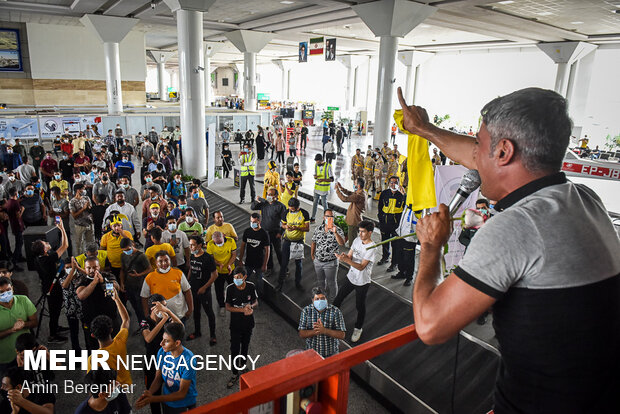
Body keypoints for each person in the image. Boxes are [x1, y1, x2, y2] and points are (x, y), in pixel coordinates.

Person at [397, 86, 620, 412]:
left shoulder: (516, 226)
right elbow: (476, 155)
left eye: (480, 144)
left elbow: (430, 326)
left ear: (503, 152)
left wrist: (431, 247)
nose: (474, 156)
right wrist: (424, 130)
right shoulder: (585, 200)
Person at [135, 322, 198, 412]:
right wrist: (149, 393)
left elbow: (181, 394)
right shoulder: (162, 352)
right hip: (167, 401)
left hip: (184, 404)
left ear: (177, 343)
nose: (161, 343)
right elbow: (158, 378)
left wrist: (153, 399)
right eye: (162, 339)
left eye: (166, 341)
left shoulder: (188, 360)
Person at [333, 220, 376, 343]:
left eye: (363, 232)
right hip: (351, 277)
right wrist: (344, 257)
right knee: (338, 299)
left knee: (359, 305)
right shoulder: (357, 240)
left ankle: (358, 328)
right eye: (359, 231)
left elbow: (361, 267)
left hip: (363, 281)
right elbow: (350, 255)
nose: (360, 234)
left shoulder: (372, 248)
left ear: (370, 233)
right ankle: (330, 319)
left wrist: (347, 261)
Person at [139, 294, 182, 414]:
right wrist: (163, 320)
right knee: (153, 394)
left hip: (168, 360)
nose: (164, 309)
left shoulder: (167, 318)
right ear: (153, 308)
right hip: (152, 361)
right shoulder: (145, 321)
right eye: (161, 306)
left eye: (165, 306)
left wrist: (168, 312)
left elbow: (181, 327)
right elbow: (148, 338)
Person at [32, 219, 69, 344]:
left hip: (47, 287)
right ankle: (53, 335)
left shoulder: (38, 258)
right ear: (44, 250)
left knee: (55, 311)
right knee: (55, 311)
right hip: (53, 289)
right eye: (45, 243)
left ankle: (56, 327)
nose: (48, 243)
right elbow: (65, 246)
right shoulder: (48, 259)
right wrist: (62, 229)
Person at [87, 284, 131, 386]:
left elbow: (92, 382)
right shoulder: (120, 342)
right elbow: (126, 320)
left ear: (93, 335)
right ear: (111, 330)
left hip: (109, 393)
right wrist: (116, 299)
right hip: (126, 386)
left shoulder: (93, 358)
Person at [76, 257, 120, 351]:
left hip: (110, 319)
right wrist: (94, 282)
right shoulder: (81, 279)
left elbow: (114, 289)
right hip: (91, 321)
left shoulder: (107, 276)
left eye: (95, 267)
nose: (92, 270)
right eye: (89, 268)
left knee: (114, 345)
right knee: (93, 347)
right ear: (85, 268)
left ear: (99, 267)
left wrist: (103, 282)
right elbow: (81, 295)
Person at [225, 266, 258, 389]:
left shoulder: (251, 286)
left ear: (244, 277)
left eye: (239, 277)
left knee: (245, 346)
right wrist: (241, 310)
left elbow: (255, 301)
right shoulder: (230, 289)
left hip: (248, 323)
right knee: (234, 348)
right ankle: (234, 372)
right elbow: (228, 306)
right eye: (234, 278)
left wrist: (251, 307)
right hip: (235, 324)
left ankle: (243, 365)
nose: (236, 280)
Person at [140, 251, 192, 321]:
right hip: (160, 318)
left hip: (179, 314)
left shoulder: (178, 273)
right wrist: (147, 315)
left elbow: (187, 291)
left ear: (170, 261)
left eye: (166, 260)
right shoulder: (149, 278)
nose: (164, 263)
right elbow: (144, 297)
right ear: (156, 263)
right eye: (160, 261)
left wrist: (190, 309)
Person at [0, 277, 37, 371]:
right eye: (1, 292)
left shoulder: (23, 300)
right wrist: (11, 330)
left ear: (12, 288)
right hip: (5, 358)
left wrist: (24, 324)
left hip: (26, 353)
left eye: (8, 290)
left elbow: (34, 322)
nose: (5, 294)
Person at [186, 236, 218, 344]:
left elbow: (214, 275)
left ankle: (213, 335)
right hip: (193, 290)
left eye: (193, 244)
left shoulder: (207, 258)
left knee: (209, 312)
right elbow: (191, 268)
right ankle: (197, 331)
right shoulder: (192, 256)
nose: (191, 247)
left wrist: (204, 287)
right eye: (190, 244)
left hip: (204, 291)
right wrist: (187, 282)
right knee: (196, 312)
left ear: (200, 245)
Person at [298, 286, 346, 358]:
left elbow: (342, 335)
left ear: (326, 299)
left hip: (332, 354)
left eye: (322, 298)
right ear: (312, 300)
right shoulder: (306, 311)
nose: (320, 301)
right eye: (317, 299)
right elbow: (302, 334)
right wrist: (316, 331)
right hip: (311, 353)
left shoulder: (335, 312)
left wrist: (324, 330)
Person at [311, 209, 345, 301]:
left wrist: (335, 233)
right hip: (318, 261)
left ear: (333, 218)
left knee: (332, 283)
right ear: (323, 217)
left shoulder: (337, 230)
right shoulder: (318, 228)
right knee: (320, 282)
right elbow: (313, 242)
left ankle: (333, 301)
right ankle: (322, 299)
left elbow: (342, 243)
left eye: (331, 216)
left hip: (330, 263)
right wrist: (312, 256)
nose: (329, 218)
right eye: (327, 216)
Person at [276, 197, 310, 291]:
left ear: (297, 207)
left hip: (298, 241)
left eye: (293, 209)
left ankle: (298, 283)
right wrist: (285, 226)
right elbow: (282, 225)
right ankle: (280, 283)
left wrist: (297, 228)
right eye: (290, 209)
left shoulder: (304, 213)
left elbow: (307, 228)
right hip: (287, 240)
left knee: (298, 263)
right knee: (284, 263)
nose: (291, 211)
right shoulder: (285, 213)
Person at [251, 189, 286, 276]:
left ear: (276, 196)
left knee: (279, 251)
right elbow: (253, 207)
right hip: (265, 232)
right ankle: (270, 268)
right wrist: (257, 200)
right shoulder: (264, 204)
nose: (269, 196)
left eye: (271, 194)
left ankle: (284, 269)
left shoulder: (280, 206)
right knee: (267, 251)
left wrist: (281, 232)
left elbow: (285, 221)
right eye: (268, 194)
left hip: (275, 232)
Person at [119, 238, 151, 323]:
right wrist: (122, 283)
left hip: (140, 286)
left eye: (128, 249)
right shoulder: (123, 255)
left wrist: (138, 275)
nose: (126, 252)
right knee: (135, 307)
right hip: (129, 286)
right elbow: (122, 270)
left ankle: (147, 323)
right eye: (124, 251)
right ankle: (141, 324)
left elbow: (149, 269)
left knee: (142, 307)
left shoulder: (141, 256)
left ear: (132, 245)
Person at [377, 176, 405, 271]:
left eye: (395, 183)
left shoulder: (402, 195)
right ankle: (385, 257)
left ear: (399, 184)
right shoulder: (384, 193)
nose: (393, 184)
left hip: (396, 225)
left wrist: (404, 195)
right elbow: (380, 207)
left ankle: (394, 263)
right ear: (388, 183)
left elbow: (406, 209)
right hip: (385, 223)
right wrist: (381, 220)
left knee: (395, 245)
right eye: (391, 182)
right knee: (384, 242)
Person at [206, 231, 237, 317]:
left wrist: (229, 265)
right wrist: (219, 264)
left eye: (220, 242)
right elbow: (211, 258)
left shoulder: (231, 241)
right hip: (218, 271)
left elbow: (234, 255)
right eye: (217, 243)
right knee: (218, 289)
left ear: (223, 236)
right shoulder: (210, 244)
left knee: (232, 287)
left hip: (230, 269)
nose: (219, 244)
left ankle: (233, 303)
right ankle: (222, 306)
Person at [238, 213, 270, 290]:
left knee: (259, 280)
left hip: (259, 262)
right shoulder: (247, 231)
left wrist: (265, 264)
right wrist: (240, 259)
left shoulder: (264, 234)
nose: (252, 224)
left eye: (254, 222)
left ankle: (258, 295)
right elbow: (242, 246)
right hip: (249, 261)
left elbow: (267, 250)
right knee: (246, 278)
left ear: (259, 222)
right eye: (251, 221)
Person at [335, 179, 366, 247]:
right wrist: (341, 188)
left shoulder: (359, 196)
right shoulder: (360, 192)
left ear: (358, 185)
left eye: (355, 183)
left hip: (353, 220)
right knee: (355, 237)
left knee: (352, 239)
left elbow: (344, 199)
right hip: (356, 219)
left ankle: (351, 253)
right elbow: (350, 193)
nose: (353, 184)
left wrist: (337, 190)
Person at [70, 183, 95, 253]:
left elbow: (90, 210)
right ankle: (79, 260)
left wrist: (89, 207)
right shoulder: (72, 201)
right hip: (79, 225)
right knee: (79, 244)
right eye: (83, 189)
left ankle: (91, 258)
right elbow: (74, 216)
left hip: (89, 224)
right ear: (78, 190)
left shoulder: (87, 198)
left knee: (91, 243)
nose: (84, 191)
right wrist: (83, 209)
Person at [49, 186, 73, 257]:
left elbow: (66, 214)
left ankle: (70, 257)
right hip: (55, 227)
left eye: (52, 194)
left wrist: (55, 214)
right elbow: (52, 212)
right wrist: (51, 213)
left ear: (55, 193)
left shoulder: (64, 202)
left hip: (65, 227)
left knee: (67, 242)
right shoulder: (53, 202)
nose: (52, 195)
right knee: (55, 243)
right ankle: (57, 258)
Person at [310, 154, 333, 222]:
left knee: (324, 204)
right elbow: (315, 175)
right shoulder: (316, 165)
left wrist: (322, 180)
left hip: (324, 189)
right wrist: (315, 177)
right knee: (315, 203)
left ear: (321, 160)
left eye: (317, 161)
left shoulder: (328, 166)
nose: (316, 163)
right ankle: (313, 218)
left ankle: (327, 220)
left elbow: (332, 179)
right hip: (317, 188)